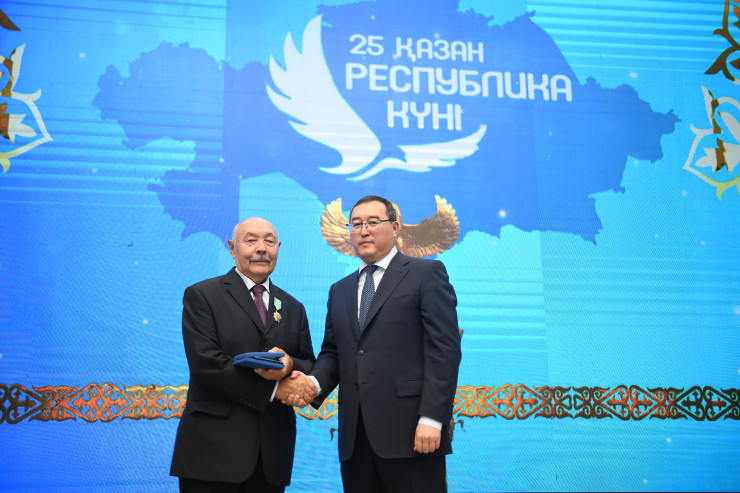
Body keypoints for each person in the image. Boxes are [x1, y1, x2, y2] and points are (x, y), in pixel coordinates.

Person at [290, 195, 462, 493]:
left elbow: (444, 350)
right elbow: (333, 353)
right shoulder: (339, 290)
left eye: (373, 222)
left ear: (395, 227)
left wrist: (433, 418)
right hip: (356, 441)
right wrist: (312, 385)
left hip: (413, 435)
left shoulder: (426, 274)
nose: (364, 231)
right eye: (356, 224)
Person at [170, 217, 316, 493]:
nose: (261, 248)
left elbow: (307, 362)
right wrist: (275, 390)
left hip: (271, 456)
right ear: (232, 248)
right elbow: (206, 364)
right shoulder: (203, 295)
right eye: (251, 240)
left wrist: (289, 365)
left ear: (278, 248)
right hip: (212, 453)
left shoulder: (293, 307)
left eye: (269, 241)